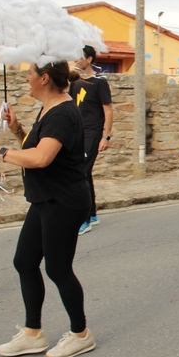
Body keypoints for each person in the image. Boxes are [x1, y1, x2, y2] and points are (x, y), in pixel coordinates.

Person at [0, 61, 96, 357]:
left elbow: (41, 158)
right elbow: (38, 148)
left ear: (44, 78)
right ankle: (33, 333)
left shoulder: (62, 113)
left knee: (57, 268)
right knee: (25, 262)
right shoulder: (50, 109)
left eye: (30, 73)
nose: (26, 78)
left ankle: (81, 334)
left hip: (63, 201)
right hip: (45, 198)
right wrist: (17, 129)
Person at [69, 45, 113, 235]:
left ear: (89, 59)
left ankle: (83, 219)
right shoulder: (74, 82)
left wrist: (105, 136)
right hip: (77, 133)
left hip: (93, 133)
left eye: (79, 57)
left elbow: (108, 110)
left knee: (80, 172)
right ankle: (93, 214)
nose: (76, 60)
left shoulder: (100, 82)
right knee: (84, 174)